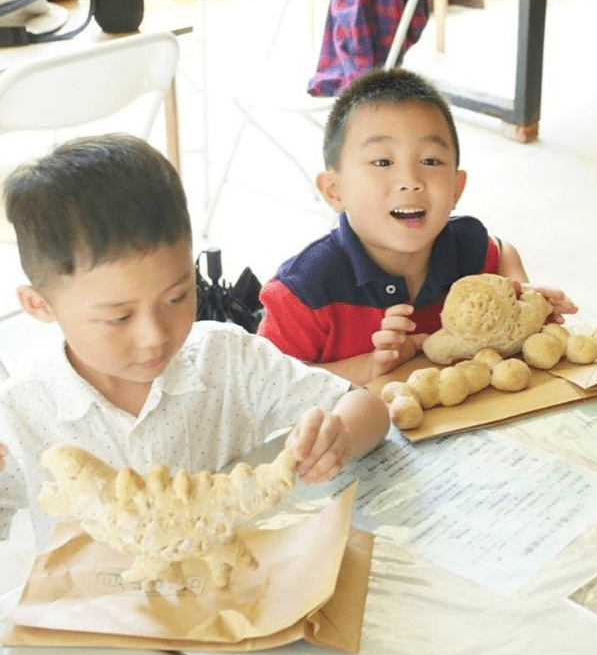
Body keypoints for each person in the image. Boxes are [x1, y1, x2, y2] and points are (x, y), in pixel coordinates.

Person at [0, 134, 389, 545]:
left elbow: (367, 406)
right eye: (118, 317)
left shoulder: (226, 360)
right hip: (96, 605)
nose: (155, 336)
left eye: (178, 297)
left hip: (234, 591)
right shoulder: (18, 415)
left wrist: (339, 435)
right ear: (40, 304)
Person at [258, 67, 576, 384]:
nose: (410, 181)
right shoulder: (303, 291)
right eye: (382, 162)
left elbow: (504, 251)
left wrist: (518, 294)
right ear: (334, 190)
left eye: (430, 161)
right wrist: (368, 367)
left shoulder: (466, 246)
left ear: (456, 188)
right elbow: (267, 383)